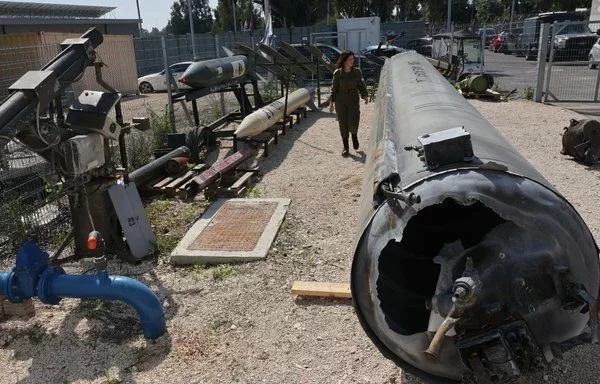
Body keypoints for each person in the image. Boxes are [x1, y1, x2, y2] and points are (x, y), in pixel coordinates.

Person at [329, 50, 369, 157]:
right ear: (344, 60)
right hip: (340, 100)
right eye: (350, 59)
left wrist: (365, 95)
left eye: (353, 59)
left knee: (354, 120)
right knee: (343, 123)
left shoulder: (357, 72)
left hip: (353, 99)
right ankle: (346, 147)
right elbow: (334, 89)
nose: (352, 61)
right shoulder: (338, 73)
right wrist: (331, 103)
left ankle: (354, 135)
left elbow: (361, 85)